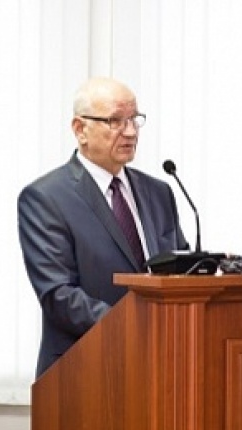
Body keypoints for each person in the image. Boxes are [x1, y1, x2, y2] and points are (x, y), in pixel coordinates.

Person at [18, 77, 190, 377]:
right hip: (84, 369)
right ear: (80, 129)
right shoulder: (46, 198)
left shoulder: (159, 192)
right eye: (115, 121)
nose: (130, 132)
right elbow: (58, 295)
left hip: (160, 364)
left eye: (134, 119)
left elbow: (180, 269)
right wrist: (135, 328)